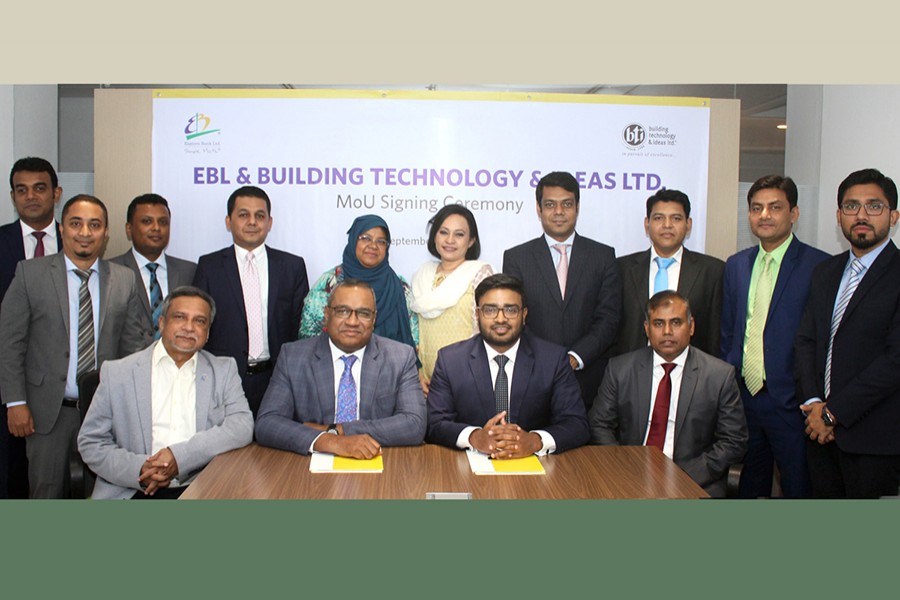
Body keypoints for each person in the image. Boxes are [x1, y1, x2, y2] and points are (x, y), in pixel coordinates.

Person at [0, 194, 147, 498]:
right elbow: (10, 343)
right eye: (76, 223)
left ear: (105, 232)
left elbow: (133, 350)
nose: (85, 232)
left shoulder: (124, 280)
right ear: (62, 229)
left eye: (94, 225)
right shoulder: (30, 274)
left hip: (105, 412)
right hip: (47, 414)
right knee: (46, 494)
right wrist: (15, 402)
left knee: (103, 496)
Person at [77, 287, 253, 499]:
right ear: (161, 323)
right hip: (132, 488)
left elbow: (242, 426)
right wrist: (140, 469)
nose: (189, 327)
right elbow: (91, 441)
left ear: (207, 333)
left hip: (201, 485)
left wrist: (180, 458)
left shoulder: (223, 370)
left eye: (199, 321)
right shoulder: (118, 372)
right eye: (180, 317)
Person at [720, 175, 829, 498]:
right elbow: (729, 333)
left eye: (774, 207)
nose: (764, 215)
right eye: (756, 208)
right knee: (747, 488)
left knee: (798, 489)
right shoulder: (737, 265)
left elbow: (821, 340)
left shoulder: (819, 266)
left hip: (793, 404)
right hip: (744, 402)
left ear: (793, 213)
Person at [796, 168, 900, 498]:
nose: (862, 215)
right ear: (839, 215)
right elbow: (807, 341)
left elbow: (894, 362)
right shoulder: (825, 271)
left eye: (874, 206)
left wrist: (832, 412)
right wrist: (814, 405)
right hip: (819, 436)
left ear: (894, 216)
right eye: (851, 206)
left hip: (874, 440)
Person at [591, 291, 748, 498]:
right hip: (629, 476)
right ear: (647, 329)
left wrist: (682, 476)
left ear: (691, 327)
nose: (667, 331)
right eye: (658, 324)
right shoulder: (620, 369)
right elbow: (599, 424)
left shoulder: (719, 375)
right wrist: (624, 466)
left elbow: (734, 440)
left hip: (693, 480)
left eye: (676, 322)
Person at [256, 279, 425, 458]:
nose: (352, 321)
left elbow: (415, 425)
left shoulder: (400, 357)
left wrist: (338, 430)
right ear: (327, 314)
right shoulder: (293, 356)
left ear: (374, 319)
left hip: (378, 465)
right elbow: (267, 423)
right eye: (343, 311)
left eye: (364, 313)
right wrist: (329, 441)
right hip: (307, 470)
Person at [426, 274, 589, 457]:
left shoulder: (553, 359)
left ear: (524, 314)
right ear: (477, 314)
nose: (501, 319)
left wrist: (535, 441)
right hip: (469, 466)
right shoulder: (451, 360)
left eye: (510, 310)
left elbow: (577, 424)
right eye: (490, 310)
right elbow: (435, 423)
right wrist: (474, 437)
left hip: (537, 469)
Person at [503, 171, 621, 410]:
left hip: (589, 381)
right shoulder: (517, 257)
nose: (558, 212)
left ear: (577, 207)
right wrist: (547, 361)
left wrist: (576, 357)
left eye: (566, 204)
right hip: (533, 378)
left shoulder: (603, 256)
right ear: (538, 209)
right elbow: (514, 317)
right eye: (550, 205)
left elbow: (609, 318)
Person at [193, 186, 309, 417]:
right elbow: (200, 323)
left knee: (274, 448)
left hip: (278, 379)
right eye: (243, 215)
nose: (252, 222)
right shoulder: (209, 266)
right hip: (225, 379)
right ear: (229, 221)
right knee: (230, 450)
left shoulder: (291, 267)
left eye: (260, 216)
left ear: (269, 222)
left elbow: (300, 328)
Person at [1, 157, 64, 498]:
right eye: (21, 190)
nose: (31, 197)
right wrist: (13, 400)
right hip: (14, 389)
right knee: (15, 481)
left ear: (56, 193)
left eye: (39, 188)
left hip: (67, 393)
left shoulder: (78, 240)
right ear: (13, 197)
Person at [614, 188, 724, 356]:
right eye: (659, 218)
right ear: (647, 223)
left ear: (688, 224)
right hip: (632, 373)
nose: (667, 225)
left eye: (676, 218)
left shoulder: (712, 271)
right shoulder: (621, 269)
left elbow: (715, 335)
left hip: (691, 374)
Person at [299, 214, 419, 358]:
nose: (373, 245)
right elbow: (309, 335)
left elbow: (414, 335)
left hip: (391, 369)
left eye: (381, 241)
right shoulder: (330, 282)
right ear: (353, 240)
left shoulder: (399, 286)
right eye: (366, 238)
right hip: (336, 369)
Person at [410, 205, 493, 394]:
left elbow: (485, 331)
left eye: (459, 234)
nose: (449, 240)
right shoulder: (422, 275)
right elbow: (415, 331)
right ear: (435, 236)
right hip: (426, 384)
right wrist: (418, 373)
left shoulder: (480, 273)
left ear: (471, 240)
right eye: (443, 232)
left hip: (469, 380)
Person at [110, 193, 196, 341]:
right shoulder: (111, 271)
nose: (156, 228)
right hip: (127, 361)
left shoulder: (190, 271)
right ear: (129, 229)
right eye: (147, 221)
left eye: (163, 222)